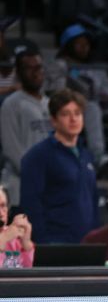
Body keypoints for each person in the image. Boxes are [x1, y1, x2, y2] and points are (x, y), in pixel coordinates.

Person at [47, 24, 108, 165]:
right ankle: (98, 156)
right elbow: (57, 91)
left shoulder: (96, 66)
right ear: (68, 45)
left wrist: (107, 96)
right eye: (79, 44)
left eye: (86, 44)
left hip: (97, 102)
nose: (84, 47)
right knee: (92, 107)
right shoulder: (60, 65)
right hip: (75, 106)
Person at [20, 89, 97, 244]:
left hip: (88, 241)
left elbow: (93, 200)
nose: (73, 119)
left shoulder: (86, 154)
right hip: (55, 242)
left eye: (77, 113)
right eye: (65, 114)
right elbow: (31, 204)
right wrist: (43, 242)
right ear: (53, 121)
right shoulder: (38, 156)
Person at [0, 49, 50, 206]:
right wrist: (34, 173)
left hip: (48, 186)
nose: (36, 73)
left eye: (39, 67)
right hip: (20, 188)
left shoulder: (50, 103)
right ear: (19, 72)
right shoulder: (12, 104)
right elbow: (10, 148)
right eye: (29, 68)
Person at [0, 185, 34, 267]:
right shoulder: (8, 234)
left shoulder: (14, 237)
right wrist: (3, 238)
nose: (1, 213)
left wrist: (26, 244)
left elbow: (26, 272)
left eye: (3, 206)